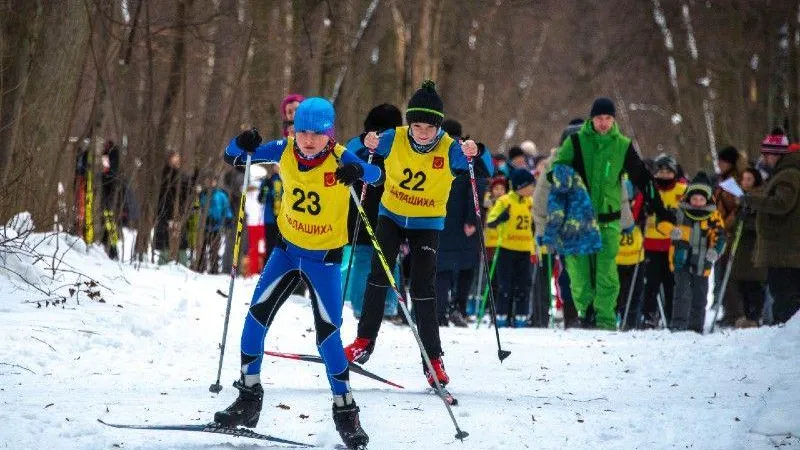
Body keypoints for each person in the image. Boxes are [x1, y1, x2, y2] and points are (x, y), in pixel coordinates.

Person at [215, 97, 379, 449]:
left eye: (317, 133)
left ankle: (346, 412)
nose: (308, 139)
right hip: (286, 253)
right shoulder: (284, 149)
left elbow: (376, 175)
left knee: (328, 340)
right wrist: (239, 142)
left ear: (329, 134)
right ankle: (248, 398)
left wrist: (359, 171)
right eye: (302, 131)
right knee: (254, 322)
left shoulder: (339, 157)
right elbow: (233, 158)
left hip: (324, 261)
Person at [344, 80, 492, 391]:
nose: (422, 132)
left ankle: (433, 359)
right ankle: (364, 340)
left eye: (429, 127)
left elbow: (486, 167)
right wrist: (365, 139)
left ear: (439, 127)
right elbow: (350, 150)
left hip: (428, 223)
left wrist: (475, 151)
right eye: (417, 125)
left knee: (423, 288)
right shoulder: (393, 138)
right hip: (392, 216)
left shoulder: (450, 147)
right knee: (377, 276)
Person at [550, 97, 671, 330]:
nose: (603, 123)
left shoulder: (622, 145)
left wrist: (660, 210)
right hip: (579, 222)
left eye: (608, 118)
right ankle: (586, 313)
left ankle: (604, 319)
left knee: (606, 273)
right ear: (591, 119)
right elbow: (556, 171)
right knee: (580, 275)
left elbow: (643, 179)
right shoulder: (575, 142)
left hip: (608, 220)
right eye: (599, 118)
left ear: (613, 120)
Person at [342, 103, 404, 320]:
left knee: (372, 258)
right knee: (376, 257)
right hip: (371, 210)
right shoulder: (365, 145)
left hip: (378, 210)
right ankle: (379, 305)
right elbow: (345, 154)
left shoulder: (393, 147)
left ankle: (376, 305)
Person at [742, 129, 800, 324]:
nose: (763, 160)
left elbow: (782, 204)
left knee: (785, 296)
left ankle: (785, 334)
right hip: (785, 250)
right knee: (783, 294)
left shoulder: (789, 174)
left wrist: (753, 201)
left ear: (775, 155)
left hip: (786, 251)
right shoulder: (785, 173)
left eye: (765, 155)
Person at [435, 118, 483, 327]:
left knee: (442, 268)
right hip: (463, 220)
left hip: (442, 216)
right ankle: (458, 307)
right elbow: (477, 185)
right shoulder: (467, 152)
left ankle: (440, 311)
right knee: (465, 266)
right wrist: (472, 218)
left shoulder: (438, 149)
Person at [667, 172, 726, 333]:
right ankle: (678, 323)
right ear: (688, 198)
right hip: (681, 259)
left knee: (700, 296)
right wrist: (671, 231)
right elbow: (663, 223)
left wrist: (716, 250)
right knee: (681, 293)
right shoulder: (679, 212)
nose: (698, 203)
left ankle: (696, 326)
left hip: (702, 261)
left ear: (707, 199)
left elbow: (720, 236)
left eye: (701, 199)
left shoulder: (713, 215)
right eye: (694, 199)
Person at [641, 154, 686, 328]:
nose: (664, 175)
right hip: (652, 242)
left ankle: (671, 315)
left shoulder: (682, 190)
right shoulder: (651, 189)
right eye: (661, 171)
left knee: (670, 282)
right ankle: (649, 316)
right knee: (651, 282)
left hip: (673, 243)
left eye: (668, 171)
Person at [487, 168, 535, 327]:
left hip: (524, 250)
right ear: (521, 186)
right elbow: (490, 222)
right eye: (530, 185)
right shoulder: (505, 201)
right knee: (504, 285)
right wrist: (501, 218)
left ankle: (521, 318)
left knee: (523, 286)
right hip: (506, 248)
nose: (533, 189)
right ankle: (501, 317)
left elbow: (534, 226)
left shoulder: (530, 202)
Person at [726, 167, 766, 327]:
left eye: (749, 179)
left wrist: (746, 216)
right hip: (741, 248)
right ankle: (745, 315)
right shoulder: (742, 200)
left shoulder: (759, 198)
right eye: (743, 179)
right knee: (741, 284)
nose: (745, 183)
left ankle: (754, 316)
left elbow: (759, 223)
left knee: (753, 285)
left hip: (753, 247)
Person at [714, 145, 747, 326]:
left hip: (729, 232)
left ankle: (735, 312)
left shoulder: (734, 182)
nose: (719, 164)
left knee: (730, 274)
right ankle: (729, 311)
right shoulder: (723, 180)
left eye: (723, 161)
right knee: (722, 274)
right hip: (721, 230)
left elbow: (736, 208)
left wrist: (725, 225)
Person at [154, 151, 196, 265]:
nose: (177, 160)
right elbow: (164, 197)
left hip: (179, 214)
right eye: (175, 158)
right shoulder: (165, 175)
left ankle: (182, 266)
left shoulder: (181, 176)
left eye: (178, 158)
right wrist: (169, 218)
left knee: (181, 242)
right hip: (166, 212)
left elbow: (187, 190)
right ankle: (162, 265)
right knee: (165, 242)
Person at [197, 172, 233, 274]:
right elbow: (198, 207)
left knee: (214, 249)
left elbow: (226, 209)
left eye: (212, 180)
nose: (210, 182)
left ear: (216, 182)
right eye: (208, 180)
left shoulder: (220, 195)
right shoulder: (202, 194)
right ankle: (200, 267)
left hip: (216, 227)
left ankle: (214, 269)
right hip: (204, 226)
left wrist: (228, 219)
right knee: (203, 248)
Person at [100, 140, 121, 260]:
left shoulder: (112, 155)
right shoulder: (109, 155)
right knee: (108, 220)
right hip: (108, 190)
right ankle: (111, 248)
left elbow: (107, 170)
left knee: (109, 220)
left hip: (109, 191)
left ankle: (113, 249)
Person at [257, 165, 283, 260]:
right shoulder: (267, 181)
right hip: (270, 218)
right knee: (269, 245)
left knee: (281, 245)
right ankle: (267, 267)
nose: (277, 168)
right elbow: (261, 199)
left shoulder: (285, 181)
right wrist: (265, 189)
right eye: (275, 166)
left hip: (283, 219)